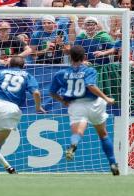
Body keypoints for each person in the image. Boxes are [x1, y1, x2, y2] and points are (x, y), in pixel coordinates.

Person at [49, 45, 120, 176]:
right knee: (103, 134)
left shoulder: (60, 74)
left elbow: (52, 92)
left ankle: (74, 145)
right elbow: (90, 85)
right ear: (84, 57)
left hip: (76, 104)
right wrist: (106, 98)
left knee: (78, 132)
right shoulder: (89, 70)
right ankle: (113, 162)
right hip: (94, 103)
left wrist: (63, 101)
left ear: (70, 57)